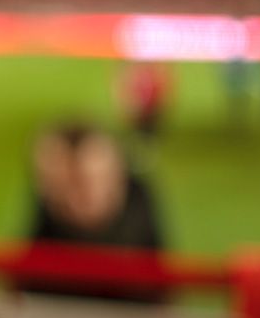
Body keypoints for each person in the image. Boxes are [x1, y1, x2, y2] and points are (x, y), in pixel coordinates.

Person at [28, 124, 167, 300]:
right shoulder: (48, 205)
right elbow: (31, 273)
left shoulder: (138, 196)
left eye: (90, 179)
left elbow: (158, 278)